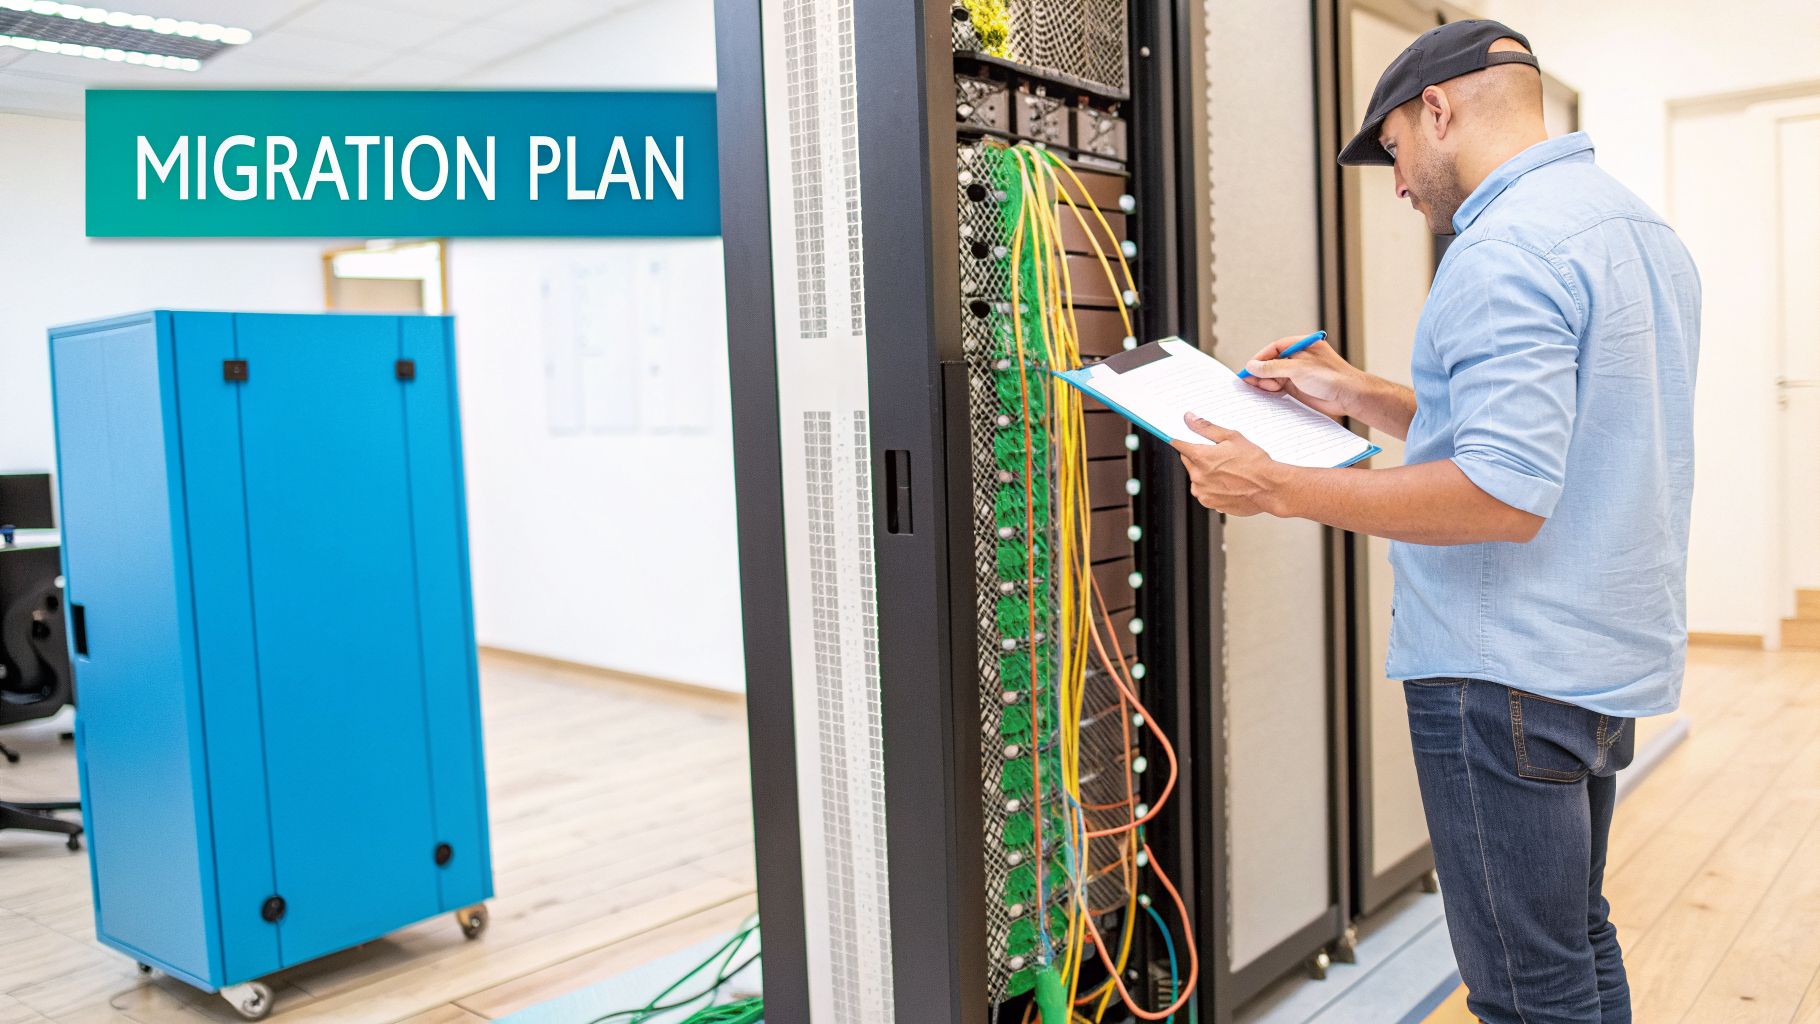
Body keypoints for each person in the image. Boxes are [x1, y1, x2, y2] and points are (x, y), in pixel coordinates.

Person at [1172, 19, 1700, 1024]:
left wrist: (1273, 484)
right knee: (1571, 938)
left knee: (1520, 986)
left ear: (1439, 109)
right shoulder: (1631, 229)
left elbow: (1498, 492)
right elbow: (1551, 434)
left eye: (1394, 150)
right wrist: (1355, 393)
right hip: (1589, 663)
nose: (1399, 183)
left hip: (1501, 677)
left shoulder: (1500, 250)